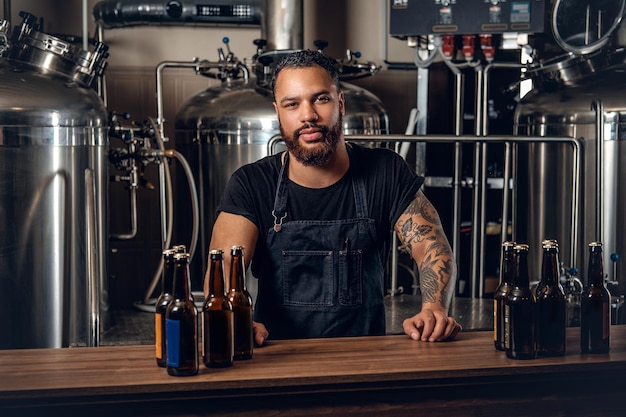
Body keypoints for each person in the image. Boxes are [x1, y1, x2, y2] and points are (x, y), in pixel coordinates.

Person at [204, 49, 461, 345]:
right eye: (292, 104)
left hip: (364, 363)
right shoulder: (251, 184)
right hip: (276, 362)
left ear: (340, 102)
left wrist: (434, 308)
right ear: (278, 112)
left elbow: (432, 245)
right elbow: (222, 264)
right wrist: (231, 316)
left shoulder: (385, 171)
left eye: (320, 99)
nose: (308, 116)